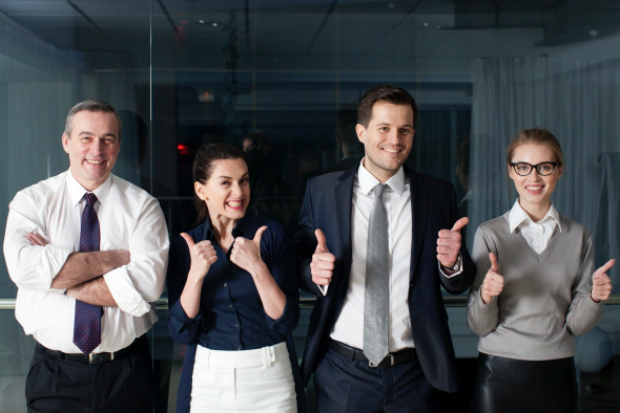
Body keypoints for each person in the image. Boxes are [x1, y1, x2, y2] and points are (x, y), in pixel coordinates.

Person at [294, 84, 476, 413]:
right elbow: (299, 259)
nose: (395, 140)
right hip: (343, 372)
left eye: (405, 130)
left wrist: (452, 264)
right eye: (384, 128)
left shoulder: (438, 194)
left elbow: (458, 281)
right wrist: (312, 272)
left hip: (417, 373)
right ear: (361, 132)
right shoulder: (321, 191)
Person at [3, 99, 170, 412]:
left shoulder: (143, 207)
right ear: (66, 142)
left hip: (126, 372)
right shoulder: (32, 202)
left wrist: (56, 278)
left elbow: (147, 285)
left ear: (118, 145)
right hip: (54, 374)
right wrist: (114, 260)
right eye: (86, 138)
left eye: (108, 139)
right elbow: (23, 269)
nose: (97, 150)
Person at [467, 128, 615, 413]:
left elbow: (577, 326)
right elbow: (479, 326)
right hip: (498, 375)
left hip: (557, 375)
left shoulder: (579, 236)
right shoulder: (489, 234)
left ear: (559, 170)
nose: (533, 177)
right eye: (523, 167)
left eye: (544, 167)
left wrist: (594, 298)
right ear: (511, 171)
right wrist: (486, 295)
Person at [166, 143, 303, 413]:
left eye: (244, 181)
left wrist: (257, 267)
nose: (239, 192)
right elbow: (181, 331)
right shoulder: (186, 246)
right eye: (226, 183)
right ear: (201, 190)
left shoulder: (272, 235)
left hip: (270, 377)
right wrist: (195, 276)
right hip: (208, 379)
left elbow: (286, 321)